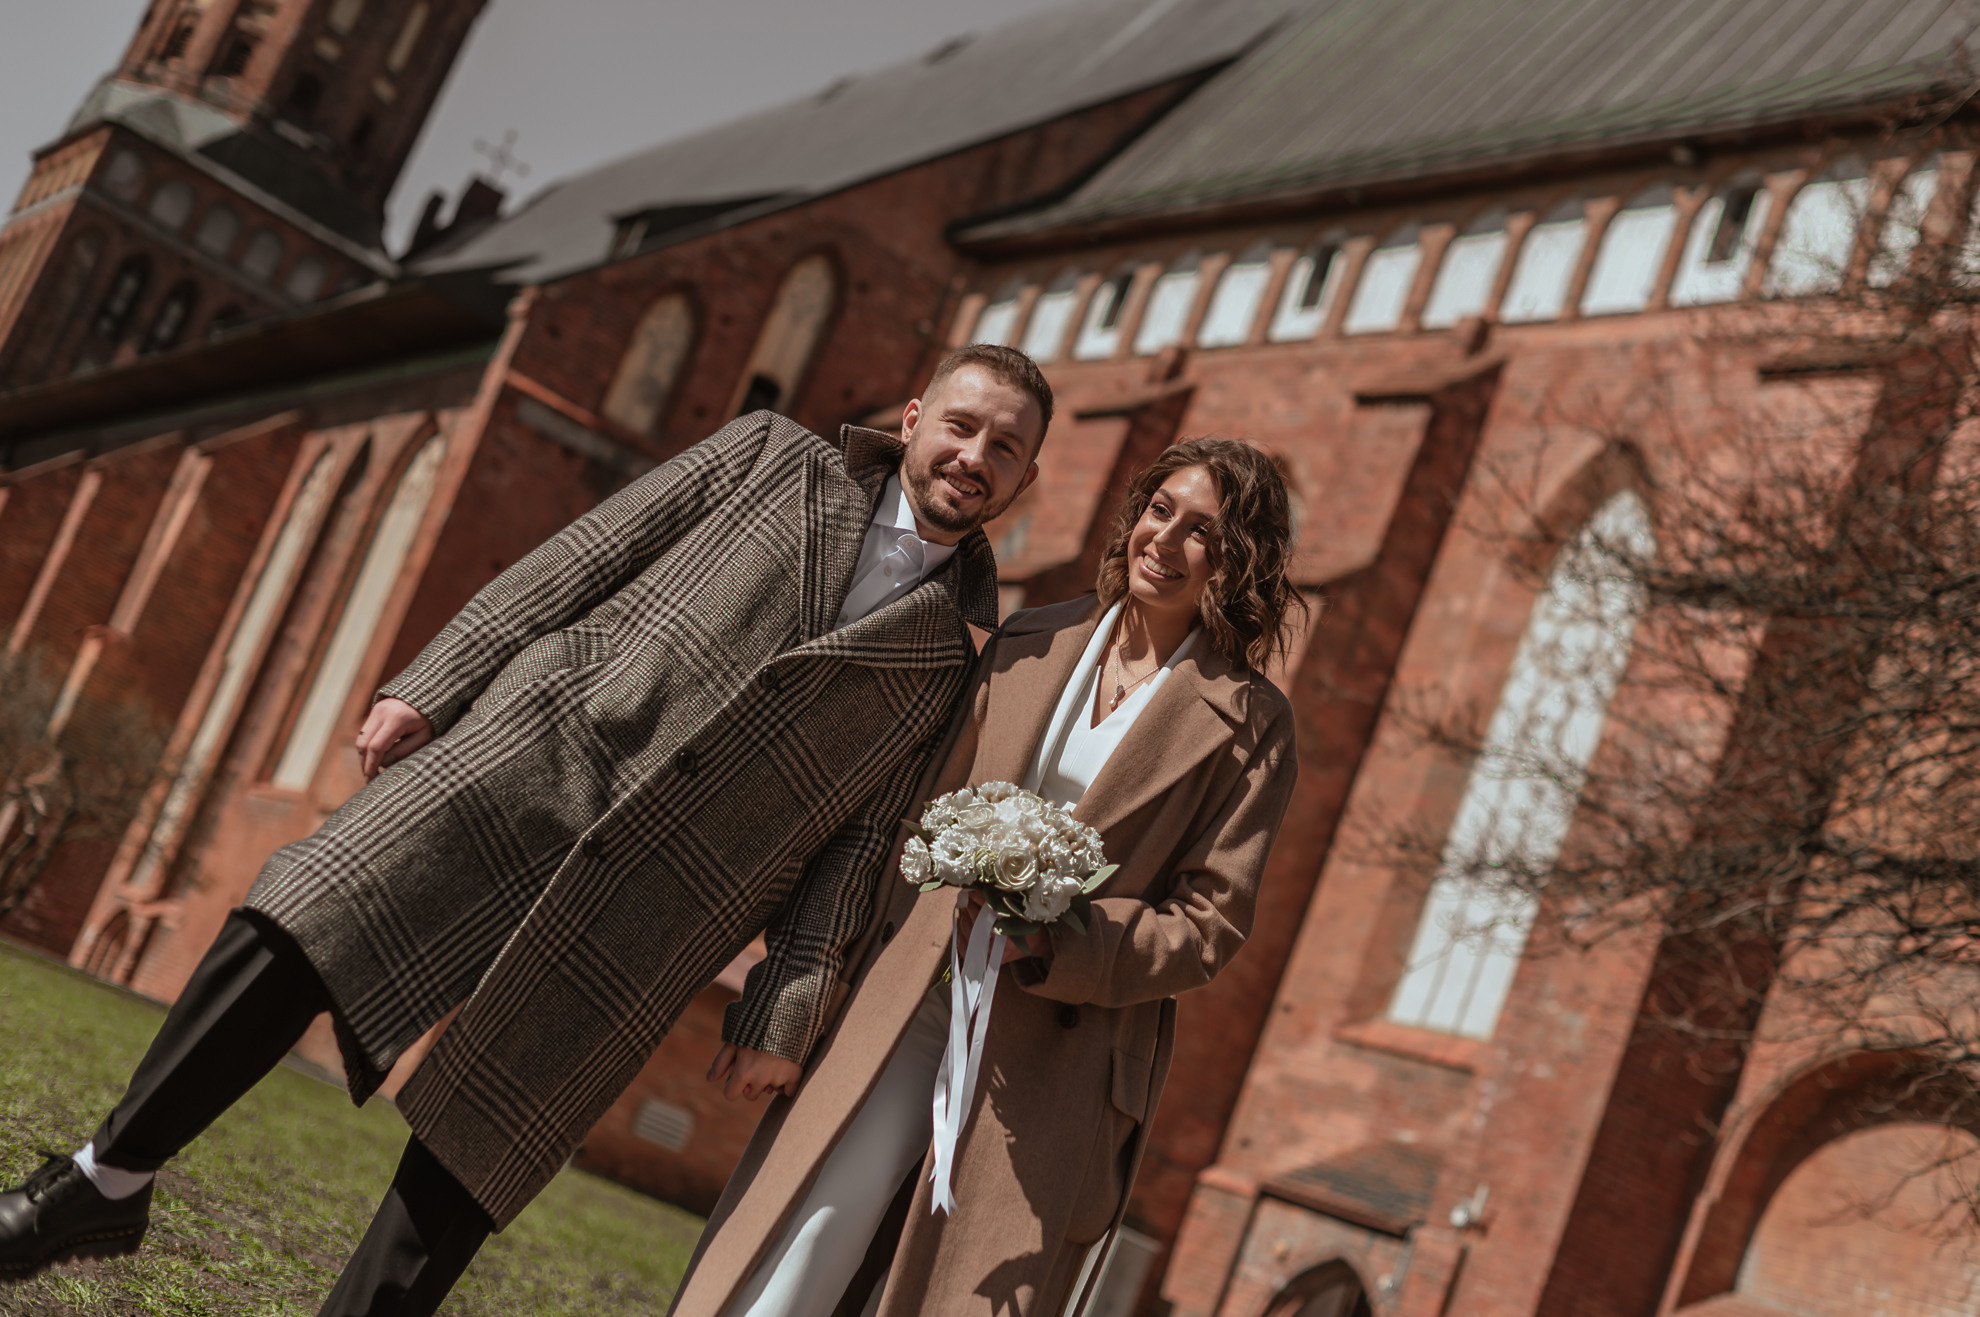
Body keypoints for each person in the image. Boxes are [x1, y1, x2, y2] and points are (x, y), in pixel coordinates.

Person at [0, 344, 1053, 1315]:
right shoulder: (770, 455)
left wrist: (785, 1002)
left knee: (489, 1138)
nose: (975, 457)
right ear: (914, 419)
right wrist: (438, 681)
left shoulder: (959, 657)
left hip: (667, 898)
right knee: (302, 913)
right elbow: (587, 552)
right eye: (961, 425)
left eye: (1005, 449)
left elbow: (862, 841)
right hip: (537, 755)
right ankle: (107, 1178)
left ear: (1025, 483)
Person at [671, 437, 1304, 1317]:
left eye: (1204, 531)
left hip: (1060, 1045)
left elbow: (1208, 924)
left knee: (966, 1293)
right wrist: (816, 985)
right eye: (1160, 511)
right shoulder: (1030, 637)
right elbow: (916, 817)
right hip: (914, 990)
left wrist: (1056, 933)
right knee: (809, 1231)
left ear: (1238, 562)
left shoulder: (1250, 724)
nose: (1167, 540)